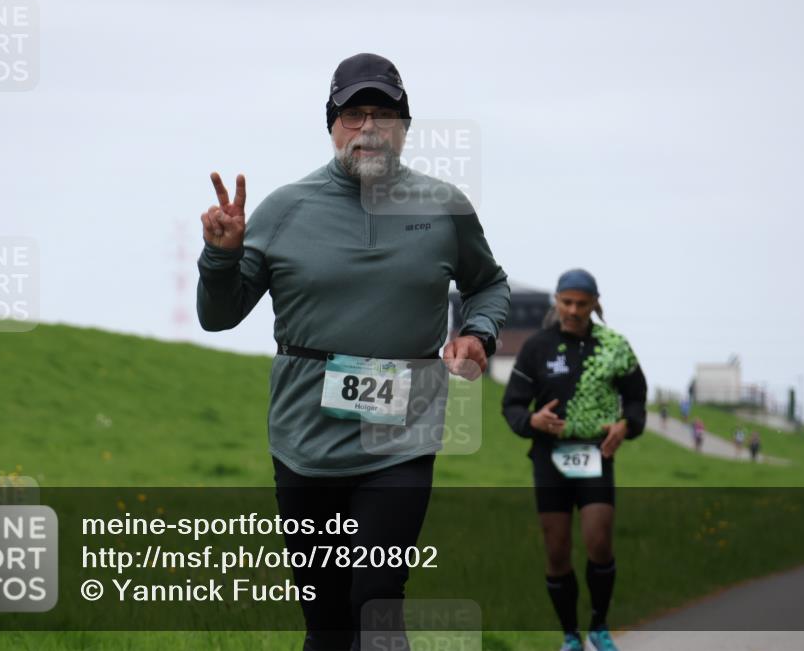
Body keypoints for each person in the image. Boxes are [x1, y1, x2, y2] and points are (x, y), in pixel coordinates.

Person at [196, 53, 511, 649]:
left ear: (405, 126)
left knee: (377, 597)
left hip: (402, 436)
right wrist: (221, 257)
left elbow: (489, 284)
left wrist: (479, 333)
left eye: (384, 114)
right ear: (332, 124)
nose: (369, 128)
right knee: (328, 620)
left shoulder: (444, 207)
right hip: (304, 440)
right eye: (354, 114)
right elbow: (218, 316)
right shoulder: (285, 210)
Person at [501, 269, 647, 651]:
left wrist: (626, 425)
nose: (573, 310)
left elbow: (636, 398)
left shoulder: (615, 346)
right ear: (556, 301)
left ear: (595, 304)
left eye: (582, 303)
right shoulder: (537, 347)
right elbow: (512, 404)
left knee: (599, 540)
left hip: (597, 453)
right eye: (566, 302)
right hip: (550, 456)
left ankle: (599, 625)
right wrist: (532, 420)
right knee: (557, 548)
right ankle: (570, 634)